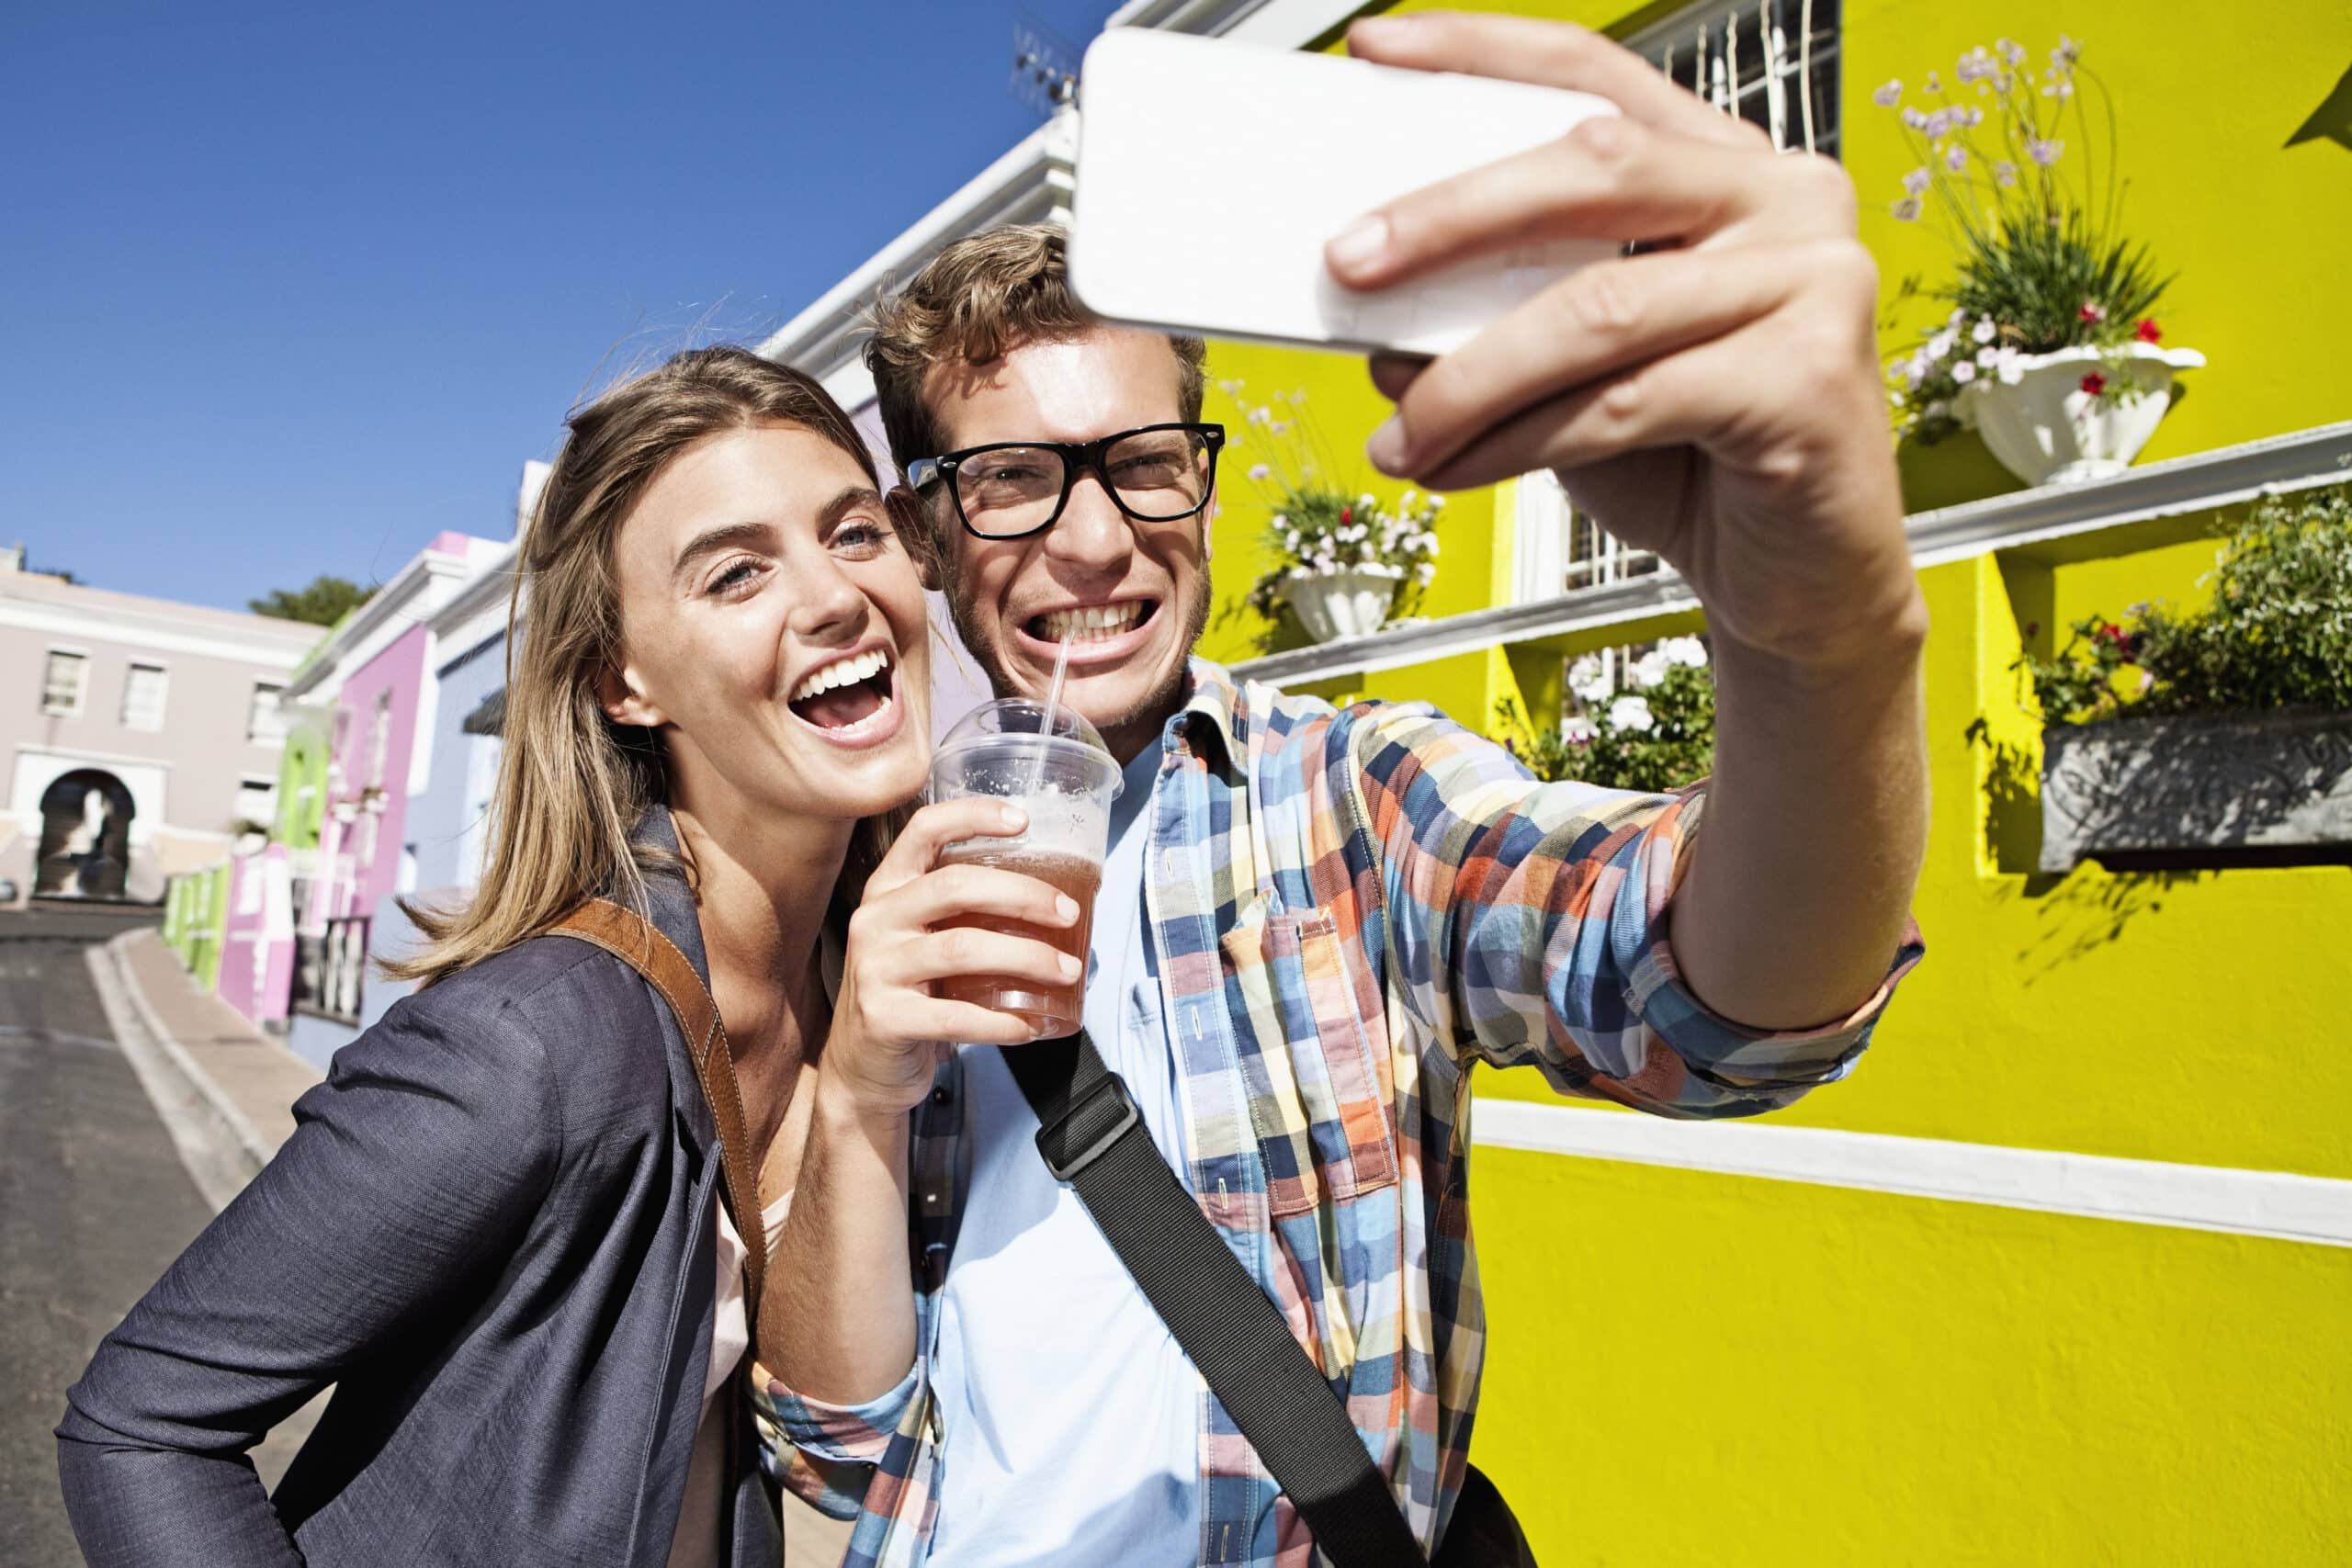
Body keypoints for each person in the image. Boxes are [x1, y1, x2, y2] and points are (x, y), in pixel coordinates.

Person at [756, 12, 1931, 1568]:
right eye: (1014, 479)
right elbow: (839, 1457)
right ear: (927, 535)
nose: (1095, 540)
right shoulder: (859, 890)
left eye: (1145, 460)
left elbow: (1716, 1006)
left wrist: (1819, 636)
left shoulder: (1353, 799)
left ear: (1209, 482)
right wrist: (854, 1096)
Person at [55, 347, 1059, 1567]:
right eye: (737, 573)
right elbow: (138, 1425)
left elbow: (837, 1446)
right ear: (624, 681)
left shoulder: (863, 984)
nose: (835, 597)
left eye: (854, 533)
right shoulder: (535, 1042)